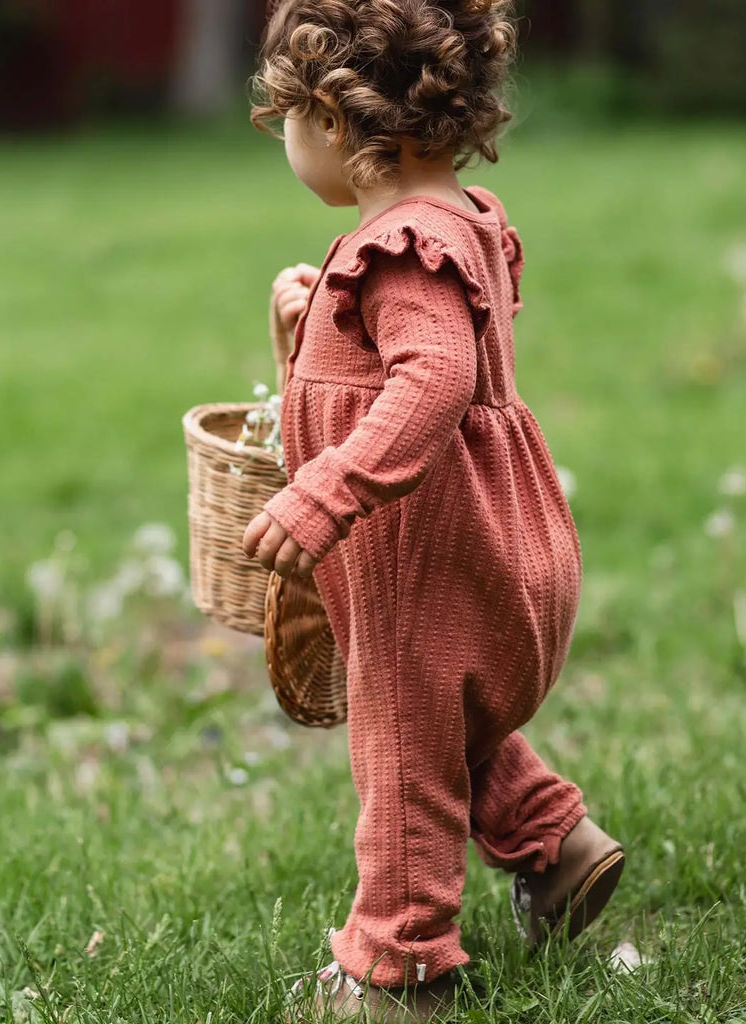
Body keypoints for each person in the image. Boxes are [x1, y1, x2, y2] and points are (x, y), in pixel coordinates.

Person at [241, 2, 624, 1019]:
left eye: (284, 116)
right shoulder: (448, 223)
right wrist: (310, 311)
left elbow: (434, 377)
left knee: (403, 754)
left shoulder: (403, 244)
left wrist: (322, 491)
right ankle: (557, 848)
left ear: (331, 119)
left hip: (429, 557)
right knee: (446, 715)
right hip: (484, 549)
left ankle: (396, 967)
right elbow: (384, 354)